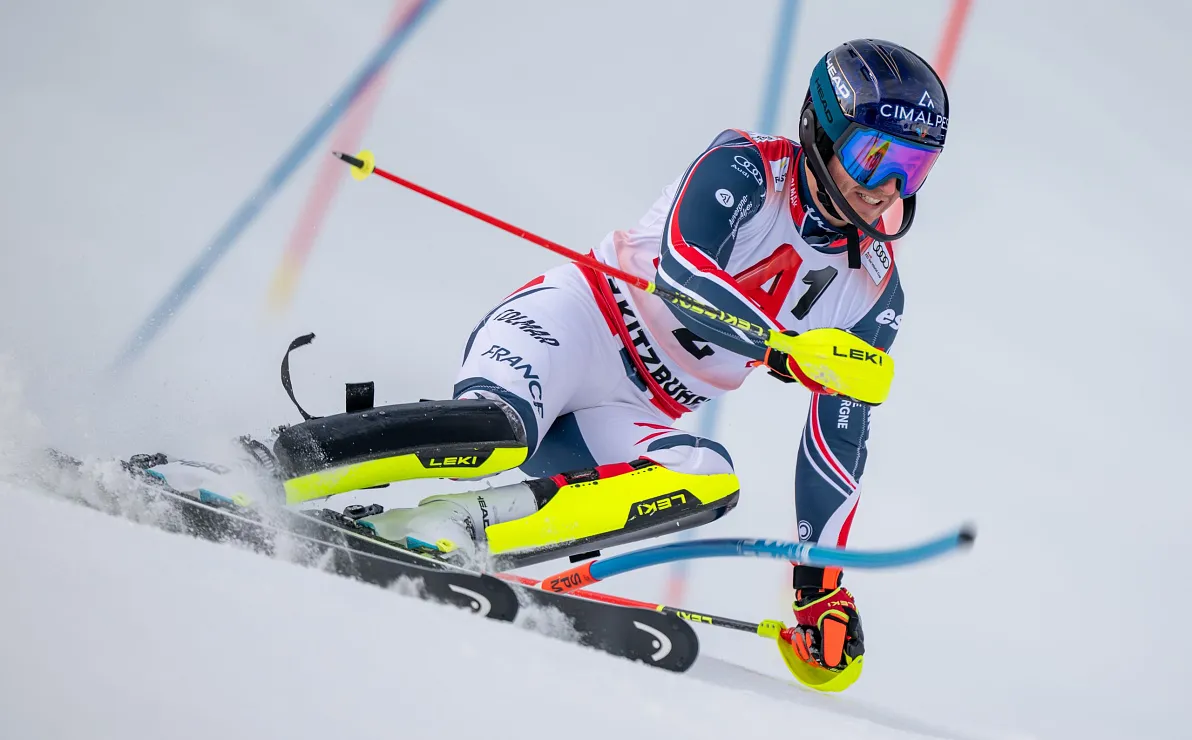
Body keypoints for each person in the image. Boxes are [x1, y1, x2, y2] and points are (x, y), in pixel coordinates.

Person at [365, 38, 949, 680]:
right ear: (824, 132)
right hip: (575, 327)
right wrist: (781, 350)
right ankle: (291, 458)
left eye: (914, 169)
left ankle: (441, 529)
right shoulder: (749, 166)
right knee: (500, 431)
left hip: (631, 410)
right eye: (875, 159)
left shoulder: (873, 289)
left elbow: (837, 440)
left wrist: (819, 587)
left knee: (705, 477)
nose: (887, 189)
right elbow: (684, 270)